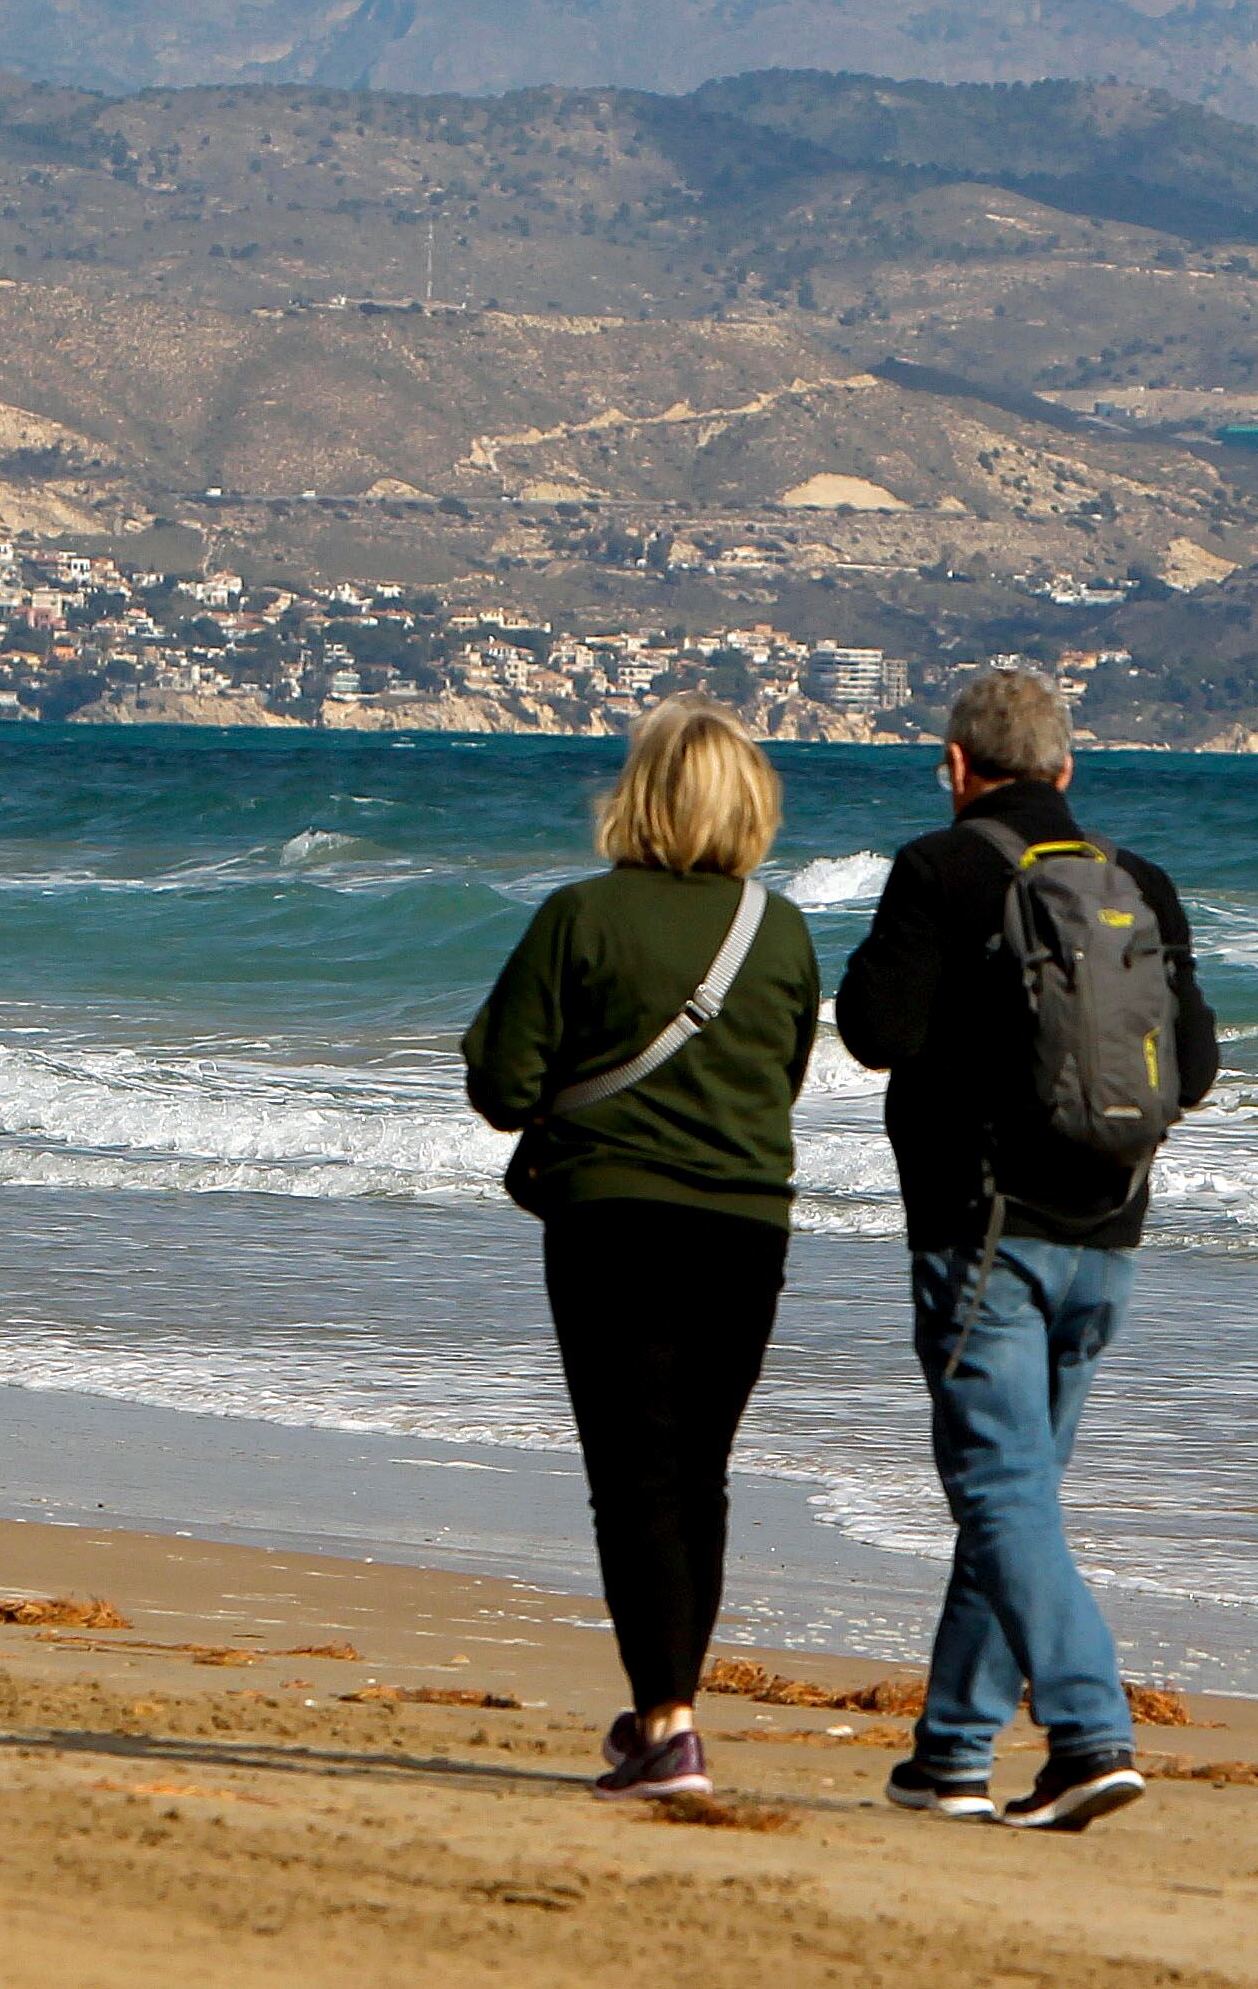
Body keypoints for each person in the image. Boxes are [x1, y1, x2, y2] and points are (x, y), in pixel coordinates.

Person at [836, 666, 1217, 1833]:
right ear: (1066, 767)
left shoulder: (937, 866)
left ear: (956, 766)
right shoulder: (1136, 881)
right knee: (1019, 1498)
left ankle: (1090, 1730)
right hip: (1108, 1233)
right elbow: (1191, 1068)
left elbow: (872, 1031)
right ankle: (950, 1751)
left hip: (981, 1231)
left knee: (1001, 1491)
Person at [464, 695, 820, 1801]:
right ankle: (668, 1707)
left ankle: (669, 1723)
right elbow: (788, 1073)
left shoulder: (580, 915)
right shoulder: (785, 928)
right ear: (750, 805)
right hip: (748, 1225)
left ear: (641, 797)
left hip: (614, 1220)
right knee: (697, 1475)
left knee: (633, 1477)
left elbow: (501, 1085)